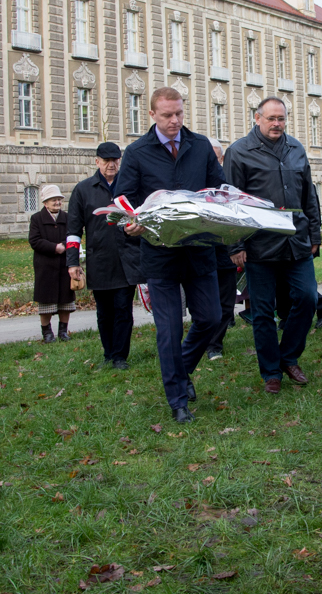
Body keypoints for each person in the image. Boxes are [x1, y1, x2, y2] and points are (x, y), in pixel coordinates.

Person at [115, 88, 224, 422]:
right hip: (159, 255)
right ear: (152, 115)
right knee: (169, 329)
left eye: (179, 113)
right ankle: (178, 400)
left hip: (198, 249)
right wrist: (130, 224)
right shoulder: (136, 152)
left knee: (211, 318)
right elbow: (122, 201)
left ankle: (182, 368)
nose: (175, 120)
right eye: (167, 115)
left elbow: (218, 189)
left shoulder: (200, 146)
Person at [223, 96, 321, 393]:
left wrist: (314, 235)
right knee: (263, 312)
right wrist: (235, 245)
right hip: (259, 246)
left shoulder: (296, 149)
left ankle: (288, 357)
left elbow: (309, 196)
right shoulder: (239, 151)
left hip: (296, 242)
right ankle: (271, 372)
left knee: (308, 298)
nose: (277, 124)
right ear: (257, 118)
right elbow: (231, 202)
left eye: (281, 118)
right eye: (271, 119)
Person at [68, 142, 143, 369]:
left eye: (115, 160)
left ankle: (120, 356)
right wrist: (72, 262)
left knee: (123, 309)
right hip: (99, 260)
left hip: (126, 260)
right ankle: (108, 354)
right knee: (104, 313)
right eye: (106, 160)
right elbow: (73, 230)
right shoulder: (83, 190)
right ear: (97, 161)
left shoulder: (130, 187)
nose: (111, 165)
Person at [29, 184, 76, 343]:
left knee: (65, 301)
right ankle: (47, 333)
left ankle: (63, 331)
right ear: (45, 203)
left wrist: (64, 246)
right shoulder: (36, 219)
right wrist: (54, 247)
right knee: (46, 302)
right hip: (45, 266)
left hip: (64, 265)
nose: (57, 202)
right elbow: (34, 240)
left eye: (59, 199)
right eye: (53, 200)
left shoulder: (67, 218)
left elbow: (73, 235)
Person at [204, 137, 237, 361]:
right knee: (205, 304)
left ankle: (215, 344)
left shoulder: (230, 184)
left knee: (226, 303)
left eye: (215, 158)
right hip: (202, 253)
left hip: (226, 252)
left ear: (222, 159)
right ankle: (205, 339)